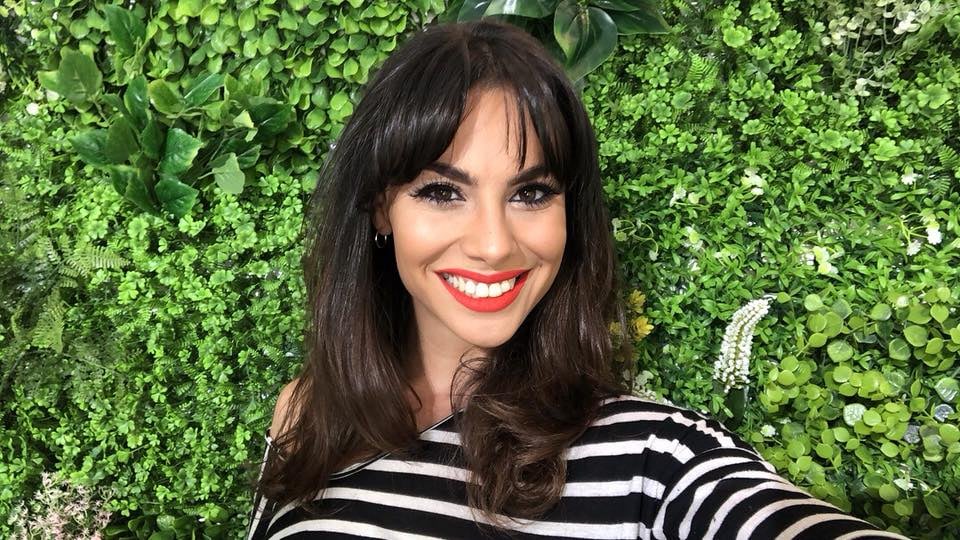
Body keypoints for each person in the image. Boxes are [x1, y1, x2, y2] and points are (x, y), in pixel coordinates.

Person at [246, 19, 910, 540]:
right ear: (379, 208)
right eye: (443, 192)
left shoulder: (656, 458)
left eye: (531, 193)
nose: (493, 244)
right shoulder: (304, 413)